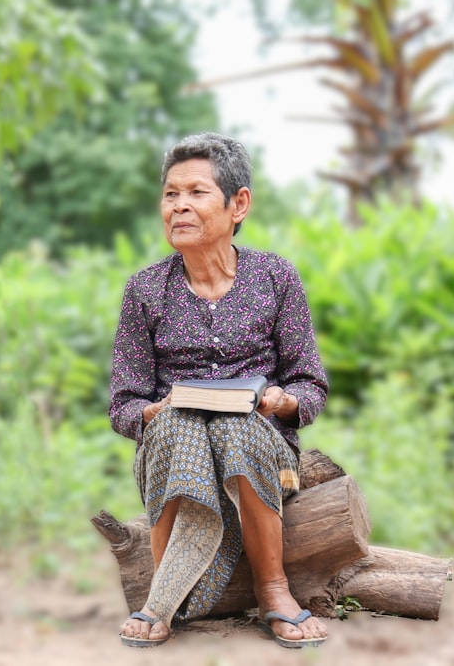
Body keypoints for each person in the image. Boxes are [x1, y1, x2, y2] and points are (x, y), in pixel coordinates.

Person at [109, 132, 330, 649]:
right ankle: (162, 599)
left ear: (239, 204)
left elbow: (310, 384)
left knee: (236, 427)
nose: (179, 206)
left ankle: (273, 589)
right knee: (178, 424)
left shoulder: (275, 278)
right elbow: (123, 404)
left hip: (262, 448)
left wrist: (282, 400)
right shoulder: (144, 290)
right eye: (170, 194)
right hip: (171, 449)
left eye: (197, 193)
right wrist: (154, 411)